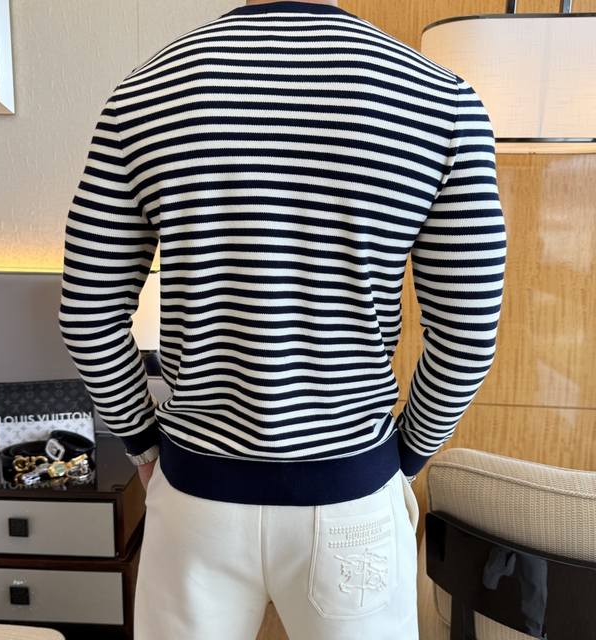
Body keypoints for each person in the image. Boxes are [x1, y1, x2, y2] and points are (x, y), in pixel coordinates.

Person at [58, 1, 507, 638]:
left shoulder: (143, 94)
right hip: (352, 495)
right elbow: (467, 332)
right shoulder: (440, 100)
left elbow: (87, 314)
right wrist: (404, 455)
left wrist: (142, 441)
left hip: (194, 498)